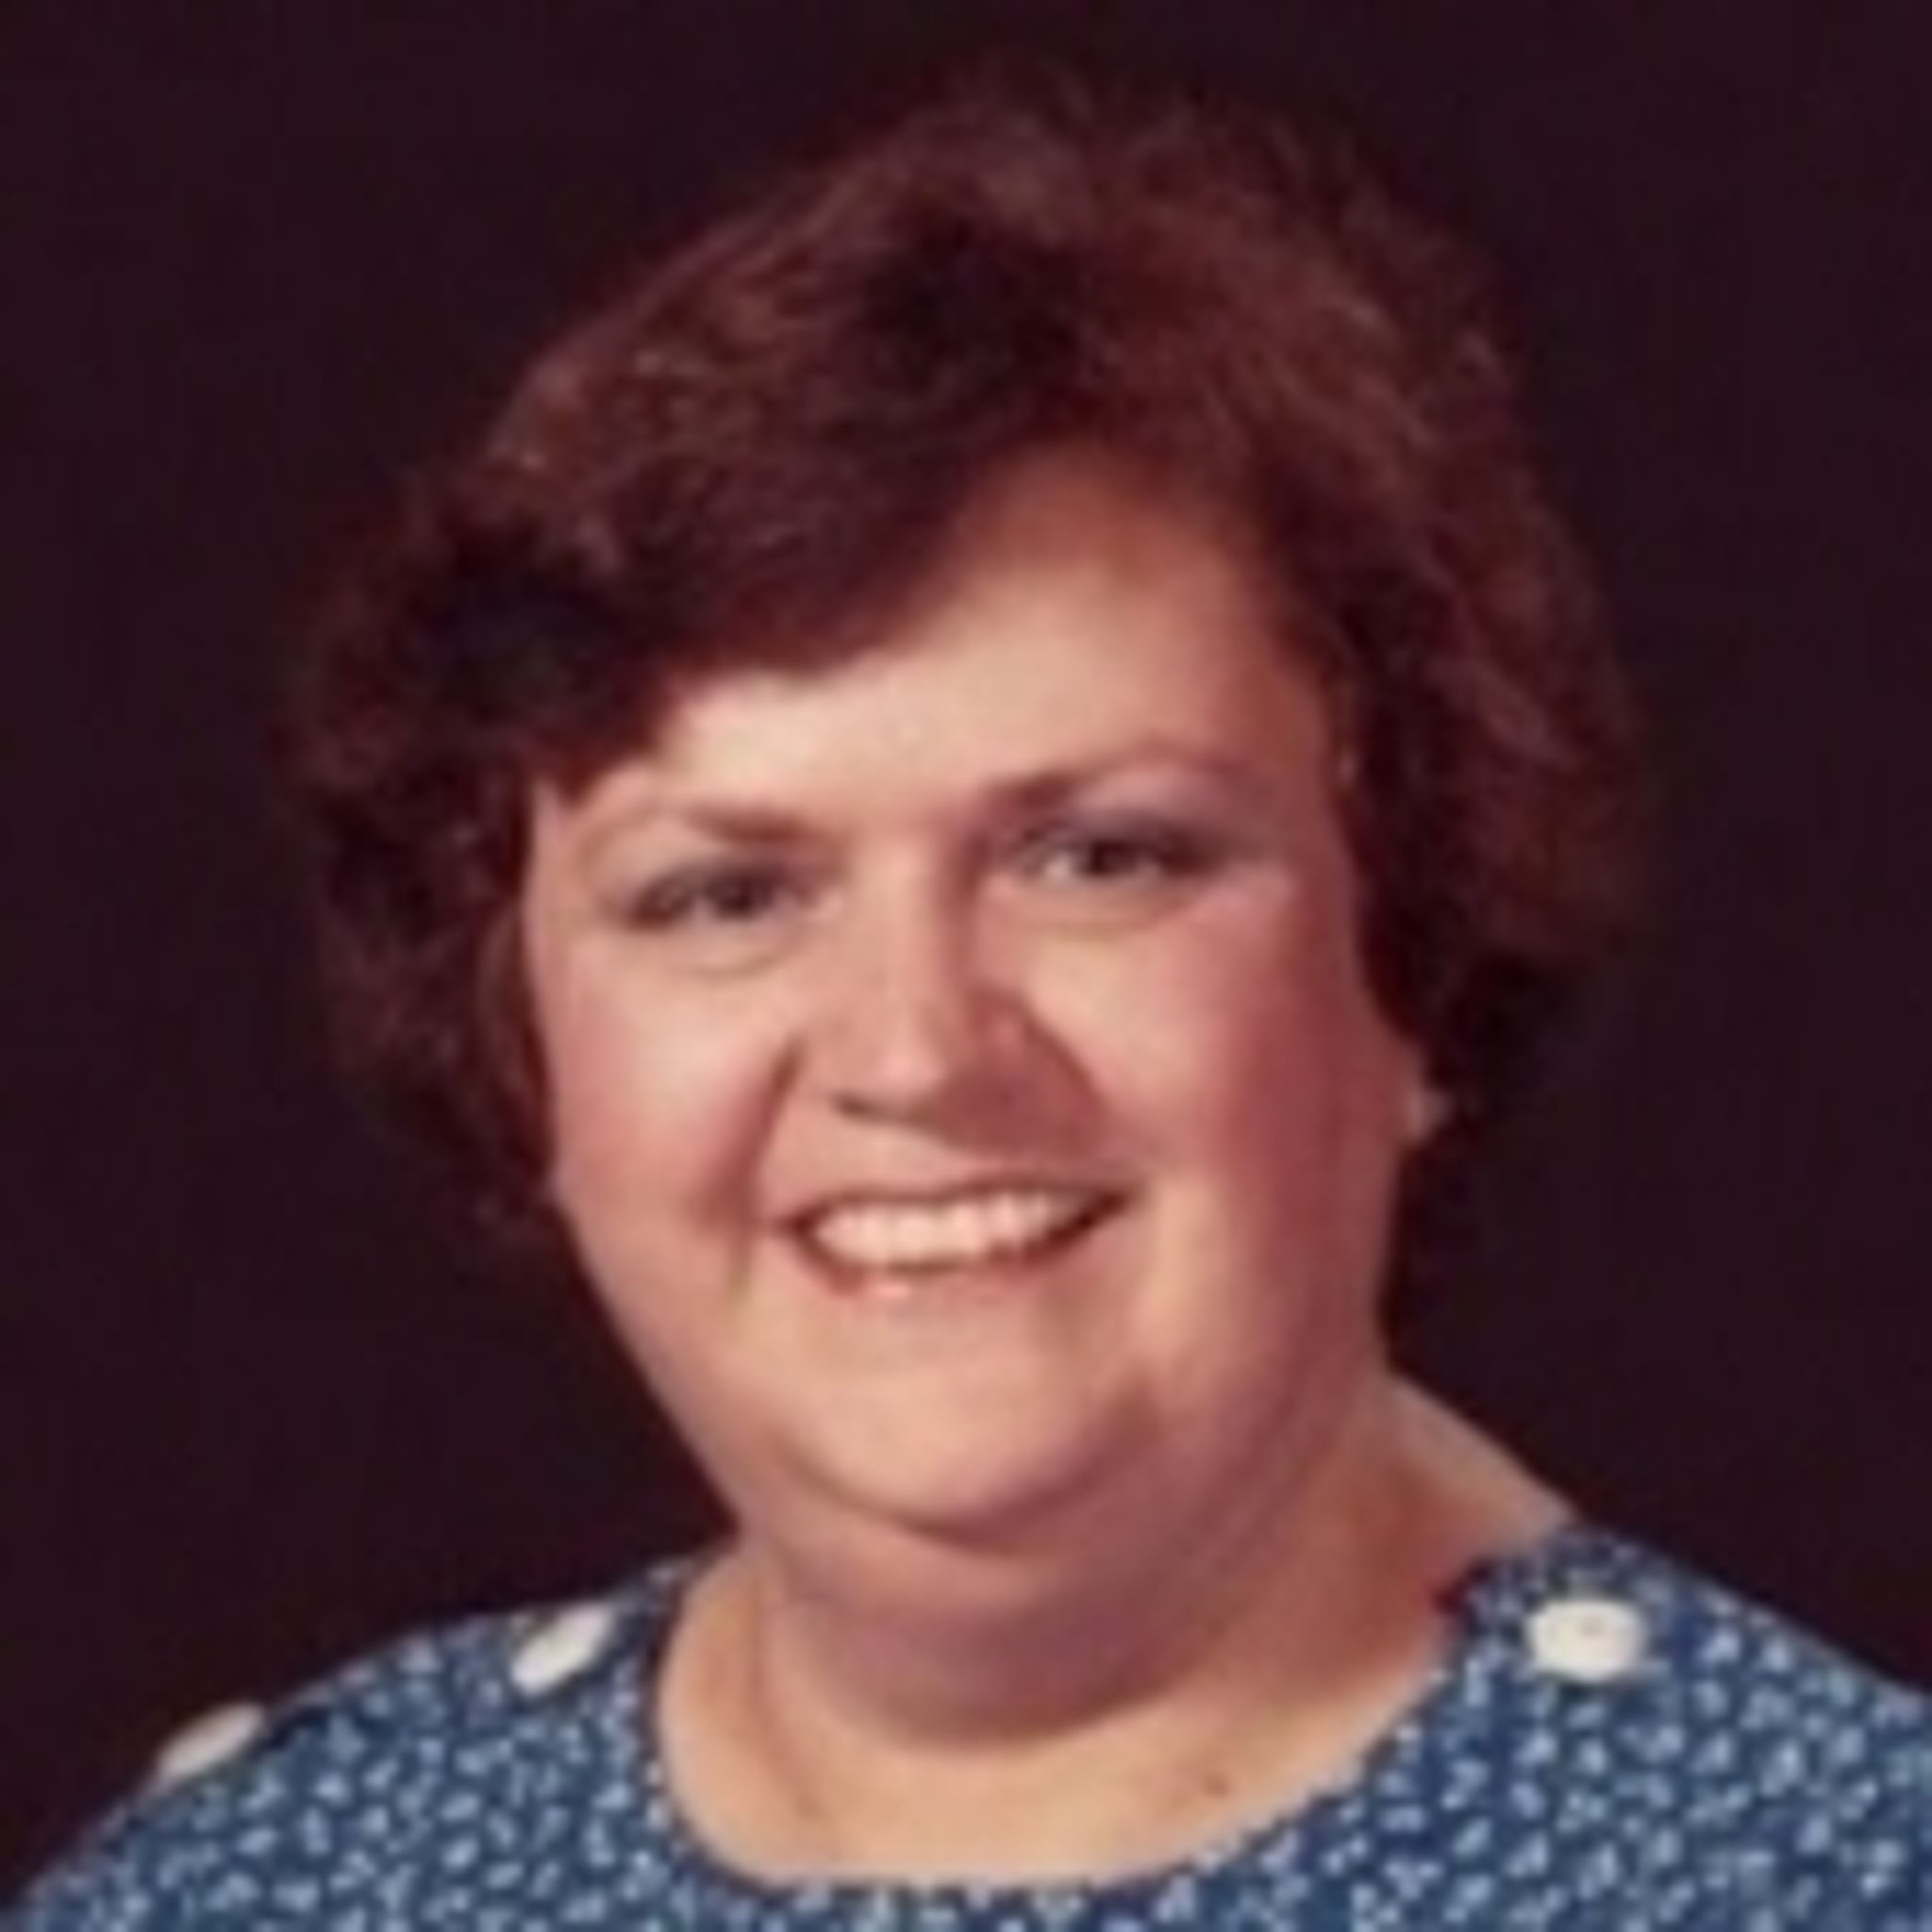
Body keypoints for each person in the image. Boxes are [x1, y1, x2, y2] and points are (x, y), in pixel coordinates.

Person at [10, 61, 1926, 1929]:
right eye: (724, 893)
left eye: (1099, 858)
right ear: (522, 1048)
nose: (916, 1049)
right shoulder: (251, 1890)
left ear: (1417, 958)